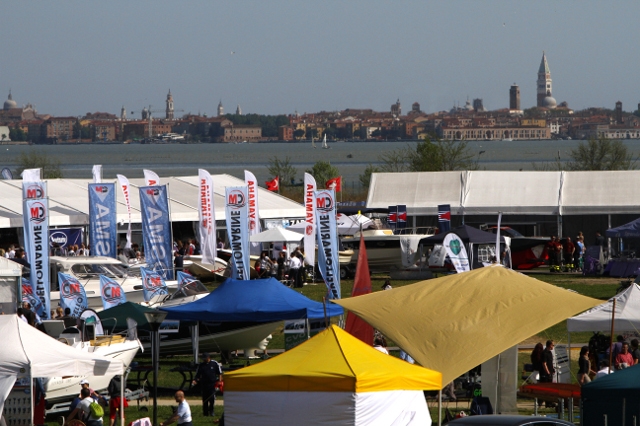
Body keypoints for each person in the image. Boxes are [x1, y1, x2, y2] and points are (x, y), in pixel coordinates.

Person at [192, 353, 222, 417]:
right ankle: (205, 413)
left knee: (212, 398)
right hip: (204, 384)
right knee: (205, 399)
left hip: (212, 384)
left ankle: (211, 411)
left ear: (208, 357)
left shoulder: (214, 363)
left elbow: (219, 373)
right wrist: (195, 380)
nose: (204, 360)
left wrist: (219, 381)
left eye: (205, 358)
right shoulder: (201, 365)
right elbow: (197, 375)